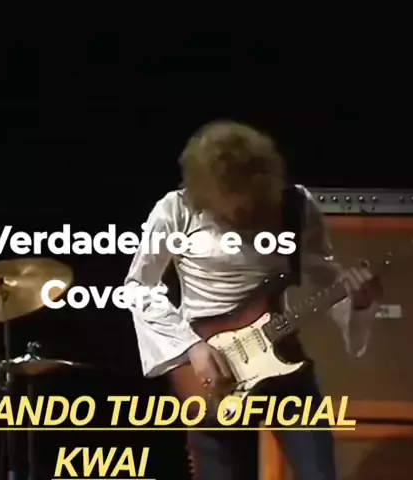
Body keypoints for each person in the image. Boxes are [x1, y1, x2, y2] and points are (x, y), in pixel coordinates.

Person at [124, 121, 382, 479]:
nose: (240, 208)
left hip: (283, 358)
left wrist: (359, 301)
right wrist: (190, 348)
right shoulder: (175, 209)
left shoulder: (295, 206)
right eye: (227, 195)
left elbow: (322, 275)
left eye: (246, 193)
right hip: (213, 372)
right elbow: (139, 288)